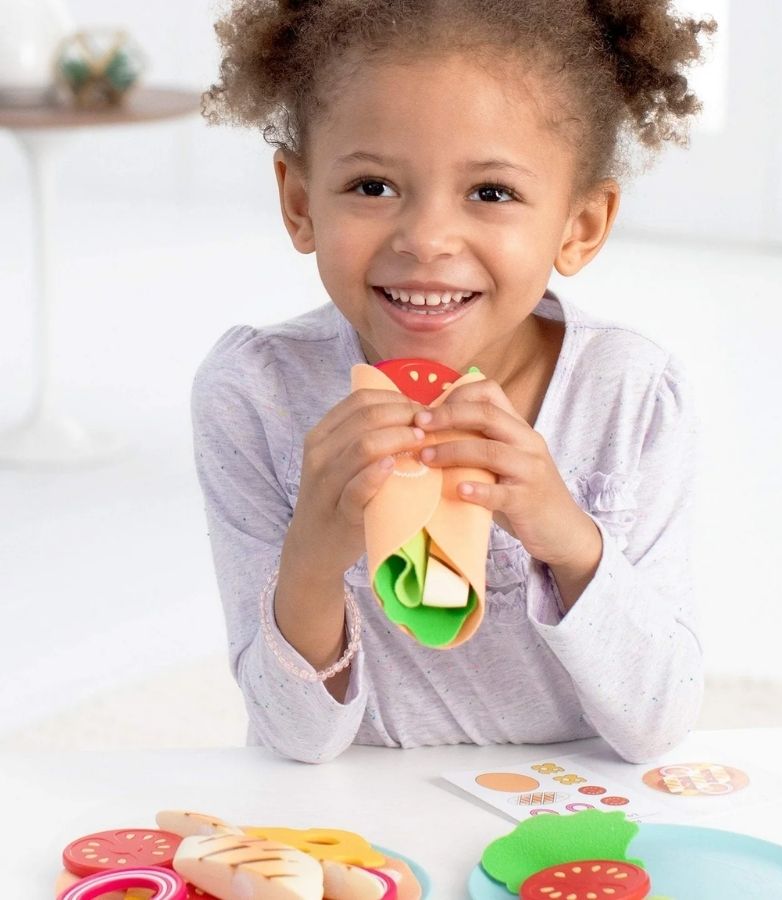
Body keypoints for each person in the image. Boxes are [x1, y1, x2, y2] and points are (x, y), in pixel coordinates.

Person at [191, 0, 717, 764]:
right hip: (359, 811)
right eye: (373, 186)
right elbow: (296, 741)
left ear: (580, 225)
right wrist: (312, 559)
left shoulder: (631, 394)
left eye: (491, 193)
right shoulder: (257, 393)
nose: (427, 239)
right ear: (300, 203)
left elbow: (657, 724)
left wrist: (567, 537)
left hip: (570, 809)